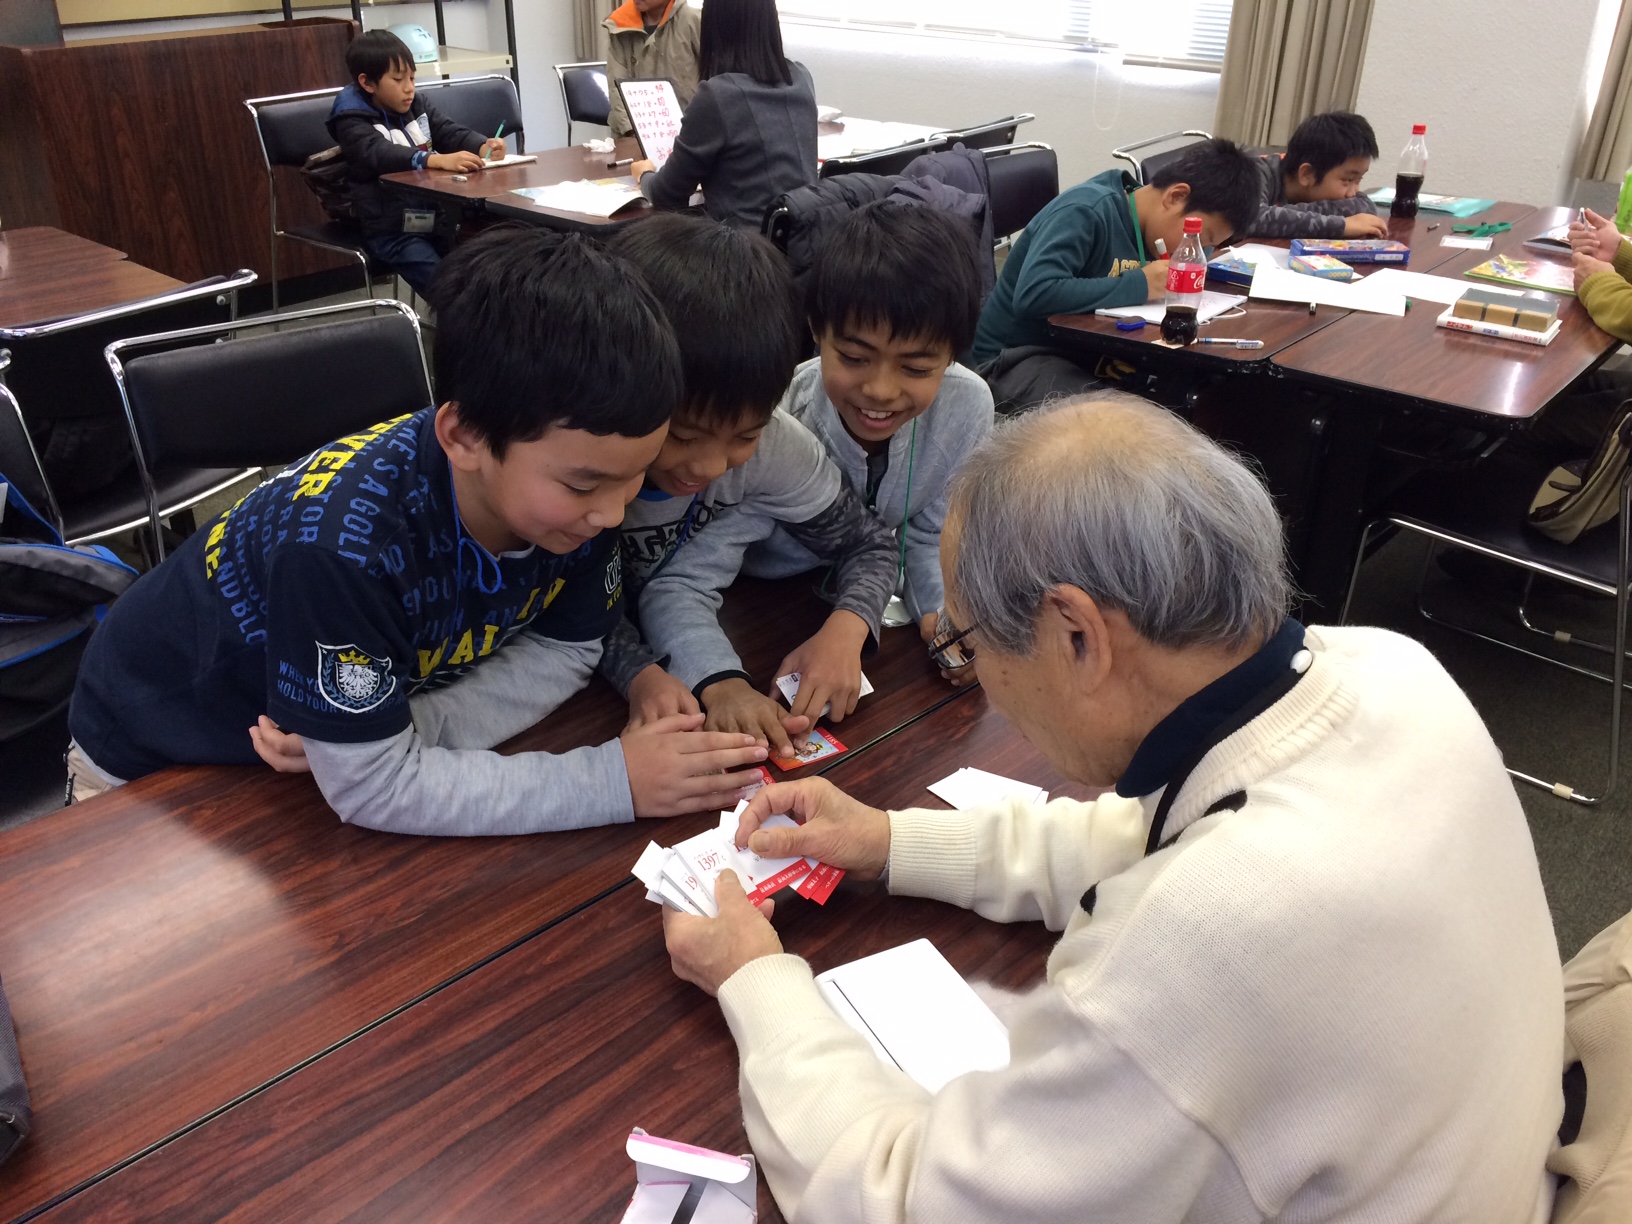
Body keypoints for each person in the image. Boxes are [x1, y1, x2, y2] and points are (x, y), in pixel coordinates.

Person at [662, 393, 1564, 1222]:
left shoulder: (1202, 947)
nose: (983, 681)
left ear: (1077, 635)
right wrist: (890, 840)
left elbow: (907, 1205)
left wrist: (756, 980)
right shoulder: (1390, 669)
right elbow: (1144, 838)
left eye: (970, 641)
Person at [66, 228, 773, 832]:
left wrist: (401, 734)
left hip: (324, 760)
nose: (613, 515)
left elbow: (567, 648)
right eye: (585, 486)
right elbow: (374, 789)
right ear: (464, 438)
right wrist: (614, 781)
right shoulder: (345, 551)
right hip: (159, 757)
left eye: (637, 474)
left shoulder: (578, 486)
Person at [604, 214, 898, 759]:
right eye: (683, 435)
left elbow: (870, 543)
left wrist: (848, 626)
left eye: (744, 435)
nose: (710, 466)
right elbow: (566, 608)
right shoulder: (587, 465)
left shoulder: (777, 447)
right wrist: (657, 674)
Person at [746, 201, 994, 688]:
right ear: (817, 330)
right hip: (761, 601)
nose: (880, 390)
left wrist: (940, 616)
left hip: (870, 597)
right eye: (855, 357)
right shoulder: (778, 416)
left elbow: (927, 536)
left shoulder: (967, 407)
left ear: (950, 355)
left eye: (916, 368)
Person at [971, 139, 1262, 413]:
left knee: (1192, 394)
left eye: (1208, 246)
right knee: (1117, 421)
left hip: (1088, 351)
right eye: (1200, 236)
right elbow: (1034, 294)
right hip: (1012, 359)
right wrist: (1139, 284)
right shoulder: (1086, 211)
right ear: (1176, 197)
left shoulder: (1157, 230)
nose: (1198, 251)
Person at [326, 30, 505, 297]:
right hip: (392, 230)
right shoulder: (350, 118)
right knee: (452, 293)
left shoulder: (416, 104)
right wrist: (433, 159)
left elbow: (447, 131)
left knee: (490, 267)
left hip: (435, 219)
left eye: (412, 78)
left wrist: (482, 145)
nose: (409, 87)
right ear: (367, 83)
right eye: (398, 79)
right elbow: (379, 153)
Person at [629, 0, 817, 230]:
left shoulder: (718, 96)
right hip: (805, 241)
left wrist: (645, 174)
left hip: (744, 246)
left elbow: (667, 195)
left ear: (713, 26)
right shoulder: (801, 78)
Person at [1245, 111, 1386, 239]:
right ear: (1307, 174)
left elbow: (1365, 207)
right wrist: (1341, 226)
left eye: (1358, 179)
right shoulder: (1251, 174)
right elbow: (1251, 217)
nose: (1353, 193)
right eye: (1348, 180)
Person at [604, 0, 703, 138]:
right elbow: (616, 85)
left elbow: (714, 78)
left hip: (689, 132)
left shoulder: (695, 21)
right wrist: (631, 132)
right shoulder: (619, 24)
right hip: (631, 134)